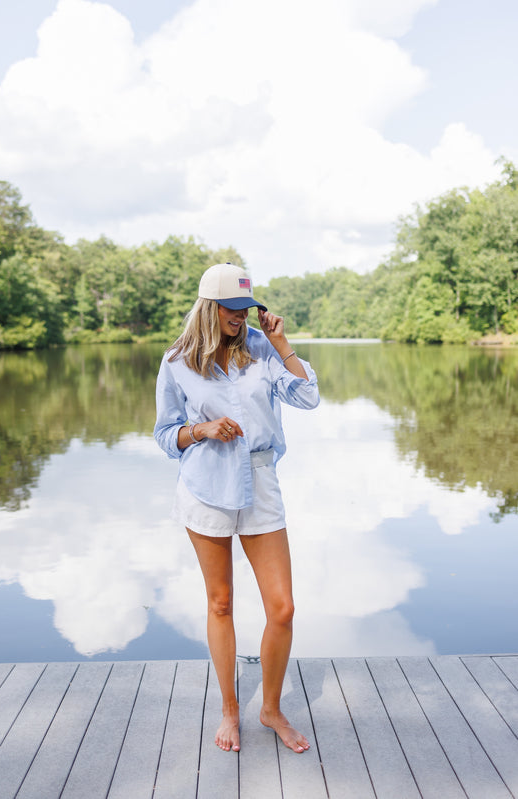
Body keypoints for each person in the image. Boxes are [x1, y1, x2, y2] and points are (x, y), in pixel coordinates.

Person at [154, 262, 320, 754]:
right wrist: (201, 429)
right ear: (210, 307)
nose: (241, 317)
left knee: (283, 608)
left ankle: (270, 708)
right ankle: (230, 709)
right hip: (206, 486)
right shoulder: (177, 360)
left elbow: (308, 397)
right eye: (232, 309)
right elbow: (166, 435)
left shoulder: (262, 349)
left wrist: (283, 343)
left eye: (247, 308)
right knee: (221, 602)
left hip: (261, 482)